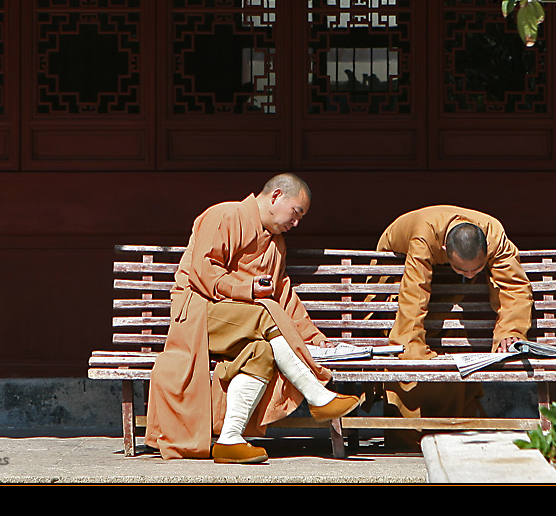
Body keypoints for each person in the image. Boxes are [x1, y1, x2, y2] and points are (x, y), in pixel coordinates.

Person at [144, 173, 361, 463]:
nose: (296, 223)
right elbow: (202, 270)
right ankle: (317, 395)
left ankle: (230, 440)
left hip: (242, 325)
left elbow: (284, 297)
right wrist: (245, 289)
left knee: (262, 352)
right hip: (198, 313)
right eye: (296, 212)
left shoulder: (276, 244)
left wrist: (313, 337)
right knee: (262, 313)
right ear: (276, 196)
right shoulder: (225, 215)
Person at [373, 205, 533, 444]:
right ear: (445, 249)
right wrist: (412, 351)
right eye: (461, 269)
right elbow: (414, 294)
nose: (469, 275)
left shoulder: (495, 234)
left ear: (486, 250)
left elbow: (514, 287)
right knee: (410, 353)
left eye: (477, 269)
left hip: (447, 279)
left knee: (454, 341)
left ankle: (455, 428)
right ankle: (407, 435)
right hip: (396, 267)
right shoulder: (424, 234)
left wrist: (511, 332)